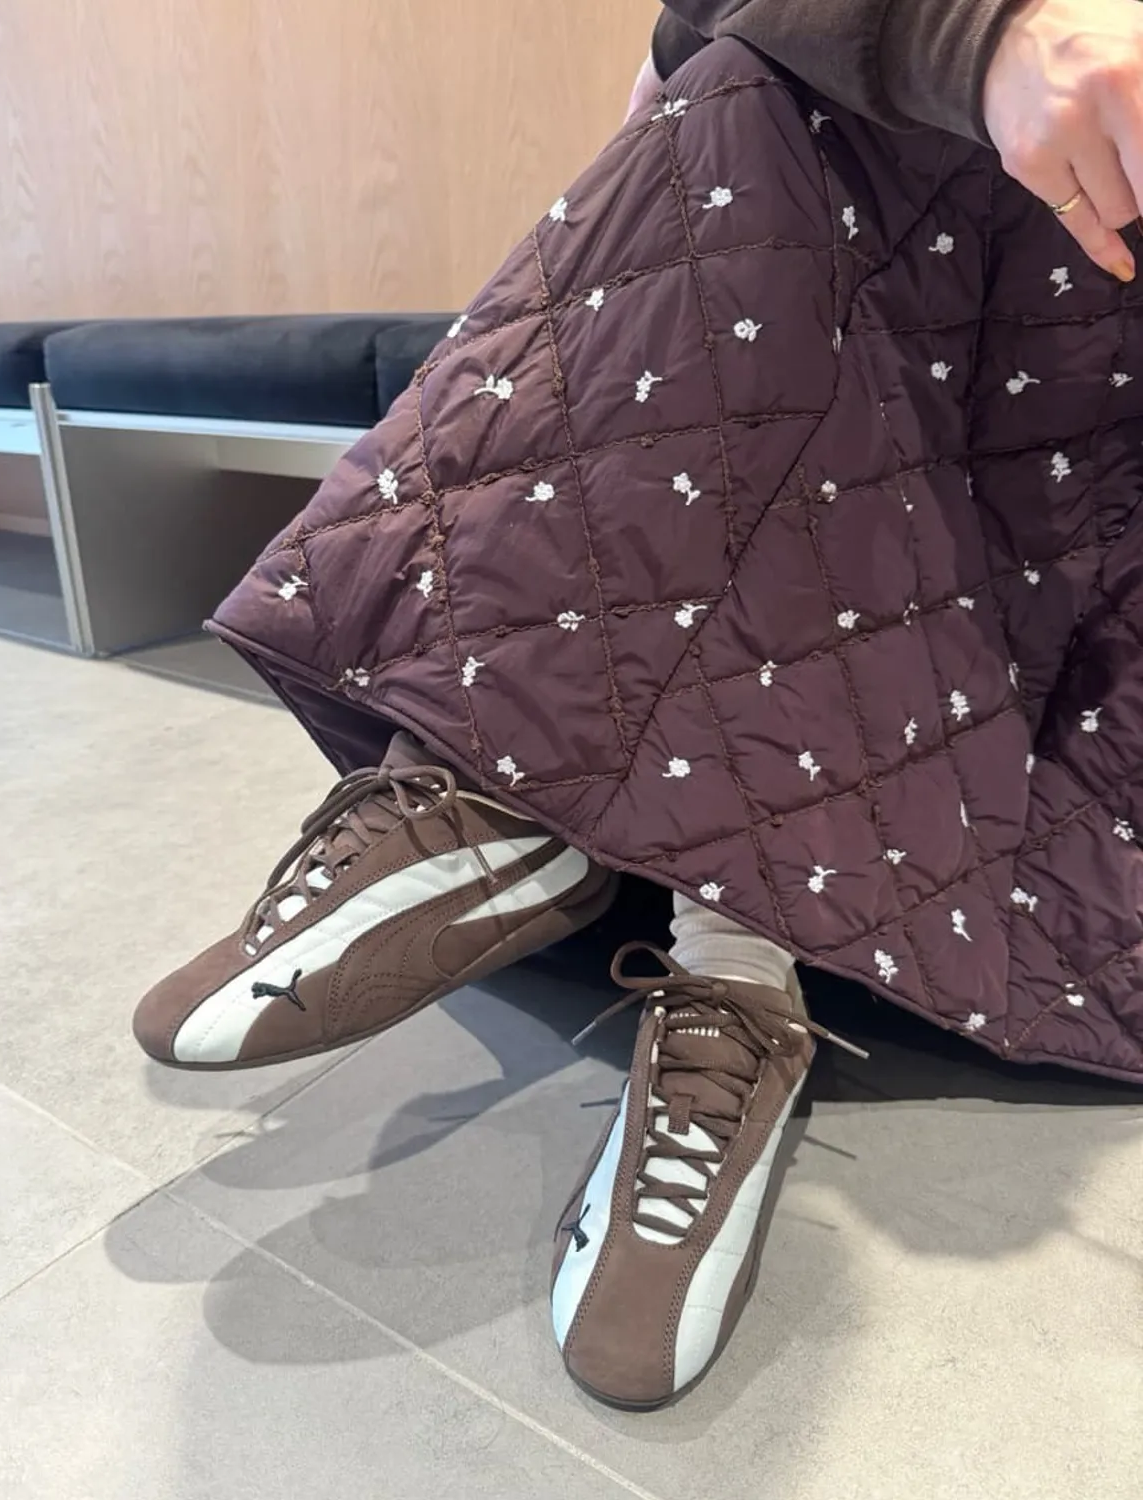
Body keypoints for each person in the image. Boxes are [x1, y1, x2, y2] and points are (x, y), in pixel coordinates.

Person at [132, 0, 1143, 1410]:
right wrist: (976, 35)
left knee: (770, 105)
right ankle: (642, 897)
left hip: (1078, 479)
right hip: (891, 272)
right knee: (757, 89)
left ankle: (559, 837)